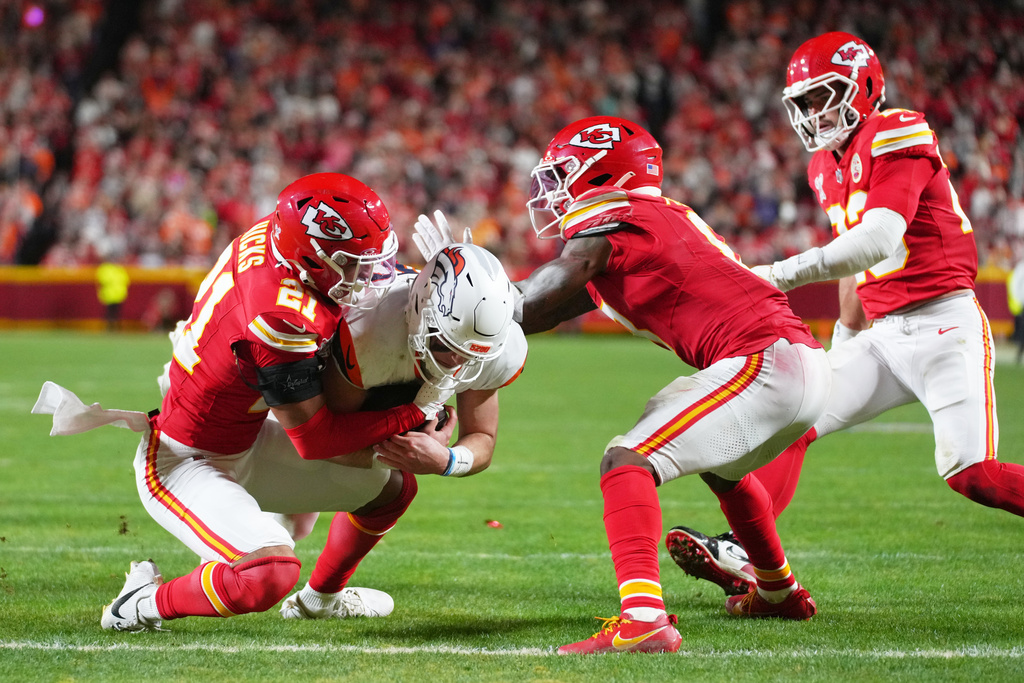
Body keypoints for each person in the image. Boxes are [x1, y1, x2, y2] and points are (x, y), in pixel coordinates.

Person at [416, 115, 832, 654]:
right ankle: (779, 592)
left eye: (564, 173)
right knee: (726, 473)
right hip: (787, 362)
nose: (554, 190)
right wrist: (476, 294)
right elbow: (537, 312)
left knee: (627, 461)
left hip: (764, 360)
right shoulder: (641, 227)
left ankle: (643, 621)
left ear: (602, 174)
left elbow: (537, 294)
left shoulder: (619, 217)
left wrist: (470, 279)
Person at [669, 31, 1024, 597]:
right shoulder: (823, 166)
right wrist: (841, 346)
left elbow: (878, 240)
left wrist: (776, 274)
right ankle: (747, 553)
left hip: (944, 325)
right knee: (797, 417)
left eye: (824, 95)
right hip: (881, 335)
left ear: (864, 85)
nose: (814, 112)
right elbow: (856, 270)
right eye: (804, 102)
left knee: (972, 475)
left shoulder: (898, 128)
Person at [64, 173, 457, 632]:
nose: (367, 276)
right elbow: (317, 438)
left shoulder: (281, 239)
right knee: (268, 575)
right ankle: (139, 603)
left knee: (392, 489)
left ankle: (320, 601)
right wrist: (419, 410)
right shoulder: (281, 314)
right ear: (309, 258)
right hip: (186, 459)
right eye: (351, 264)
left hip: (246, 434)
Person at [278, 243, 525, 617]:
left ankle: (319, 599)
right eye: (446, 345)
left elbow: (483, 438)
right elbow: (328, 435)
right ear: (419, 315)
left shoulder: (490, 344)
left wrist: (447, 459)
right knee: (291, 520)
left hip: (376, 402)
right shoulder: (371, 331)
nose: (458, 363)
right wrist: (408, 435)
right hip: (287, 404)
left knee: (394, 490)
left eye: (473, 355)